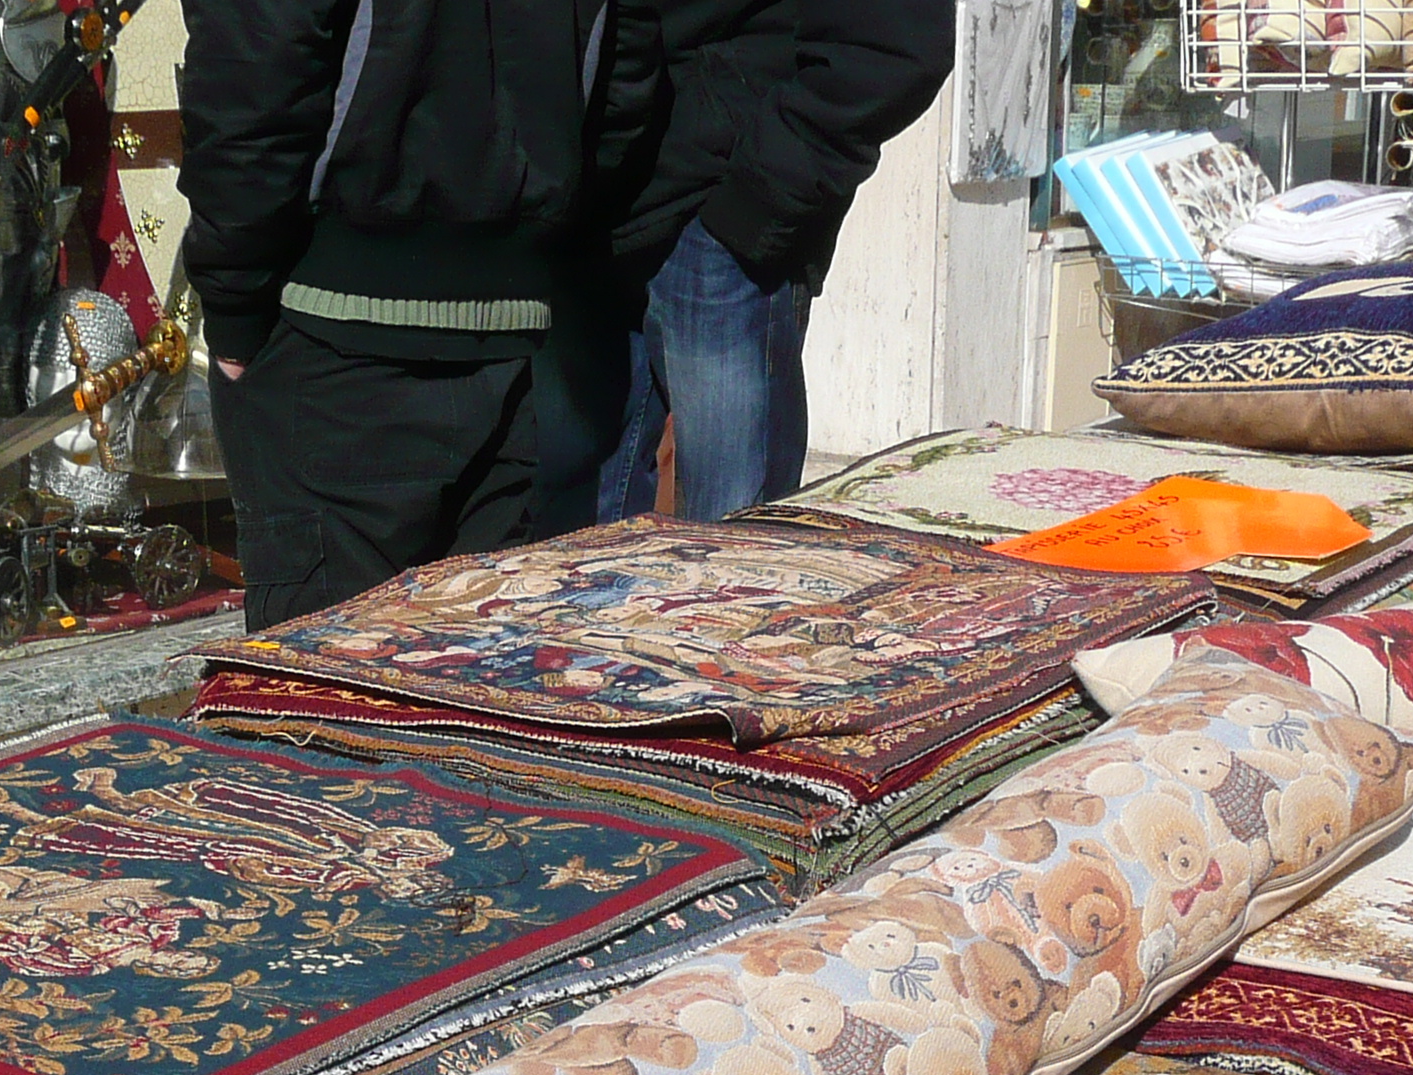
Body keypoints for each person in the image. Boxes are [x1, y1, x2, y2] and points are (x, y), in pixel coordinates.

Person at [177, 0, 655, 629]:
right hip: (496, 324)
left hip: (337, 341)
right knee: (466, 685)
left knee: (328, 698)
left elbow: (254, 66)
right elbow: (628, 69)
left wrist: (235, 305)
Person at [533, 2, 953, 533]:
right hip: (581, 207)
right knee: (570, 551)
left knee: (737, 546)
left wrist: (758, 201)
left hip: (716, 225)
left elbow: (898, 47)